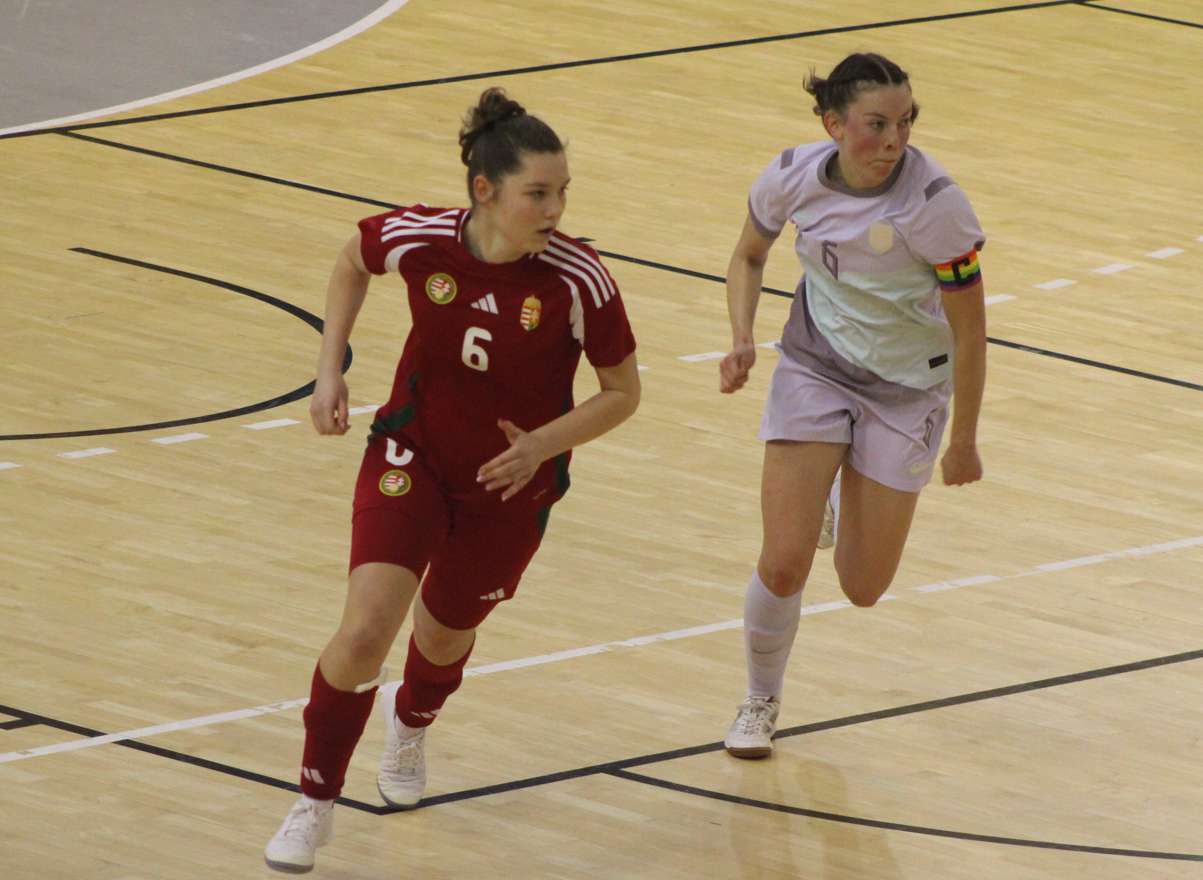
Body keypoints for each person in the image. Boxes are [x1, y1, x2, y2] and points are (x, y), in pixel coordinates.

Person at [265, 87, 640, 873]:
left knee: (440, 635)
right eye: (538, 193)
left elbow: (621, 392)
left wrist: (540, 445)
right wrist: (329, 370)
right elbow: (352, 258)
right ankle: (313, 800)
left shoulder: (578, 279)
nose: (555, 209)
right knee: (365, 631)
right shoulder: (423, 238)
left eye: (562, 192)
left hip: (509, 488)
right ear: (485, 191)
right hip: (413, 454)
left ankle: (410, 723)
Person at [718, 53, 986, 758]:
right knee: (783, 562)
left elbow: (969, 330)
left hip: (907, 390)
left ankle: (837, 487)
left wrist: (963, 438)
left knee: (862, 586)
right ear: (834, 125)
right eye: (876, 124)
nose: (894, 140)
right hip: (815, 367)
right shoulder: (791, 175)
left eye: (905, 122)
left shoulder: (934, 206)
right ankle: (759, 699)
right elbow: (748, 256)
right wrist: (741, 336)